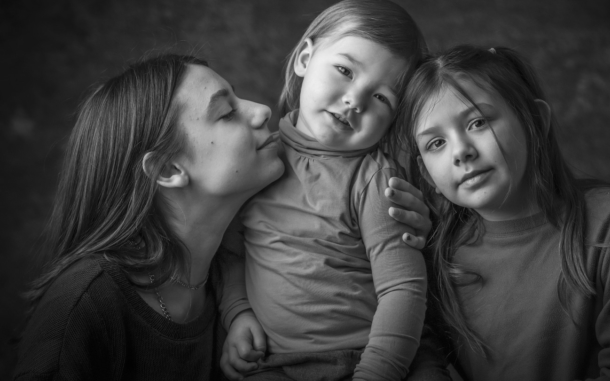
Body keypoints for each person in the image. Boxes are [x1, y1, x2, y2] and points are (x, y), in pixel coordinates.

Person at [14, 54, 430, 380]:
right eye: (227, 112)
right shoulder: (84, 307)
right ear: (167, 170)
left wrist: (417, 231)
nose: (263, 110)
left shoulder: (247, 277)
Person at [393, 44, 610, 380]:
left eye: (478, 122)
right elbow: (420, 357)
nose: (461, 152)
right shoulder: (436, 259)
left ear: (536, 121)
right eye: (436, 143)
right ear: (427, 173)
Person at [219, 0, 446, 381]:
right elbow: (231, 252)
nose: (354, 100)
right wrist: (237, 311)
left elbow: (403, 290)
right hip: (278, 361)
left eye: (380, 97)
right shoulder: (258, 159)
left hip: (377, 356)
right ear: (305, 59)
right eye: (344, 70)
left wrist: (377, 371)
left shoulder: (376, 180)